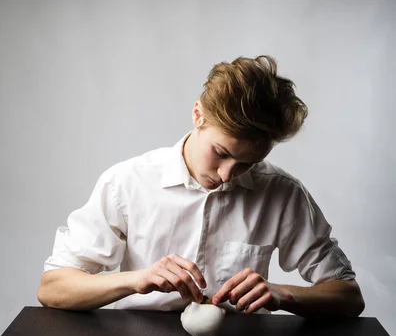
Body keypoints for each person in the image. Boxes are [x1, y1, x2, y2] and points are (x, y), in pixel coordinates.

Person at [37, 55, 365, 317]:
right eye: (221, 153)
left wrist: (285, 294)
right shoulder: (126, 182)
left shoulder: (282, 193)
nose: (226, 176)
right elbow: (52, 288)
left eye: (246, 164)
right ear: (198, 115)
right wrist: (136, 280)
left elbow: (349, 297)